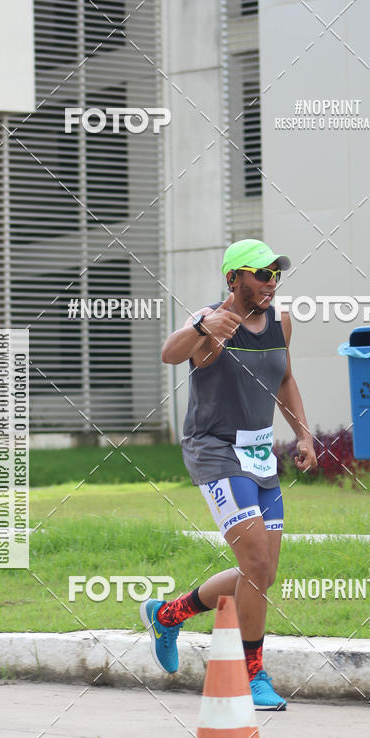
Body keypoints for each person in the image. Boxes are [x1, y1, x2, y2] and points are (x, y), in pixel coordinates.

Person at [140, 239, 317, 710]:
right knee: (257, 565)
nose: (271, 282)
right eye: (261, 274)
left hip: (260, 455)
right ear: (234, 278)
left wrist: (303, 434)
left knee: (260, 571)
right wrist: (202, 324)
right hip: (215, 451)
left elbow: (284, 379)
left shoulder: (281, 321)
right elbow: (169, 354)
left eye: (275, 274)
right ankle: (252, 674)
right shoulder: (212, 321)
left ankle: (167, 615)